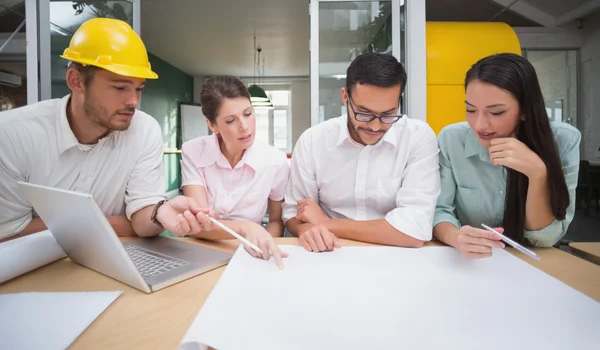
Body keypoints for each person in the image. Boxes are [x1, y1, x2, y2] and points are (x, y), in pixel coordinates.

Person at [0, 18, 211, 243]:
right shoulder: (12, 135)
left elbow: (142, 220)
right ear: (76, 81)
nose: (133, 101)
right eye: (120, 87)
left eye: (139, 89)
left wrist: (159, 213)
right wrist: (120, 223)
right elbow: (9, 234)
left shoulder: (145, 130)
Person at [282, 52, 441, 252]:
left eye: (388, 114)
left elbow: (414, 230)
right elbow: (293, 214)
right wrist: (305, 230)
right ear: (345, 97)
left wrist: (325, 223)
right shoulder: (313, 141)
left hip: (396, 258)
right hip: (330, 254)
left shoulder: (418, 137)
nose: (375, 126)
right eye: (364, 113)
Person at [433, 53, 581, 258]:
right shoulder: (452, 139)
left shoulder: (564, 140)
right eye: (470, 110)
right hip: (470, 262)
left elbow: (546, 238)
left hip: (533, 265)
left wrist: (538, 174)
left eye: (496, 112)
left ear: (525, 110)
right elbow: (439, 211)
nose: (480, 125)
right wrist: (457, 237)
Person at [181, 76, 289, 268]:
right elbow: (200, 225)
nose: (245, 127)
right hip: (199, 253)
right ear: (212, 125)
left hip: (249, 256)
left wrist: (264, 247)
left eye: (248, 114)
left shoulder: (275, 162)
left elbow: (275, 221)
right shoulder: (193, 152)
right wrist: (246, 228)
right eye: (231, 120)